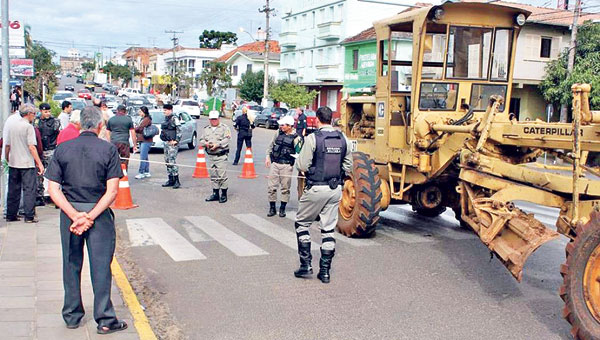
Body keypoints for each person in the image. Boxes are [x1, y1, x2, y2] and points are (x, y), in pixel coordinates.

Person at [45, 106, 129, 334]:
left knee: (71, 263)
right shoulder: (108, 150)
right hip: (98, 214)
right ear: (100, 125)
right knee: (101, 266)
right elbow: (112, 191)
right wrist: (90, 216)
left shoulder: (62, 149)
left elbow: (53, 188)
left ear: (80, 124)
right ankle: (104, 318)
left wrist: (74, 215)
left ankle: (72, 315)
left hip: (70, 213)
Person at [293, 106, 353, 284]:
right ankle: (325, 272)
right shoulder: (343, 139)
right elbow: (348, 167)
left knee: (302, 224)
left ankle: (306, 266)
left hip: (316, 188)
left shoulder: (313, 138)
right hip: (335, 190)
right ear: (332, 119)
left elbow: (302, 165)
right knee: (328, 229)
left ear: (318, 119)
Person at [5, 104, 44, 223]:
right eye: (33, 114)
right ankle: (29, 216)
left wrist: (8, 158)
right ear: (28, 114)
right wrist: (39, 163)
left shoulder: (12, 126)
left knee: (13, 190)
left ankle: (11, 214)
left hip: (14, 162)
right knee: (29, 190)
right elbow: (32, 146)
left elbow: (7, 145)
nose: (34, 116)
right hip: (26, 163)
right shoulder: (28, 127)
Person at [265, 115, 302, 218]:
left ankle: (282, 208)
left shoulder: (296, 138)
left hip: (286, 165)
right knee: (271, 187)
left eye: (283, 125)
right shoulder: (278, 133)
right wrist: (268, 157)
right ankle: (272, 208)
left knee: (285, 188)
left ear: (289, 126)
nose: (281, 126)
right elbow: (271, 145)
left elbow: (299, 153)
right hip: (275, 163)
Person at [199, 110, 231, 203]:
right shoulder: (206, 129)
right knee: (213, 175)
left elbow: (227, 139)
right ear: (209, 119)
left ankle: (224, 194)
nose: (214, 121)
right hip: (211, 156)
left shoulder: (224, 128)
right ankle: (215, 193)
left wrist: (218, 144)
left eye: (215, 119)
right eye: (212, 119)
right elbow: (201, 140)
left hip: (220, 155)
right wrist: (206, 144)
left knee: (222, 176)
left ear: (219, 119)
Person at [34, 103, 61, 205]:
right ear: (41, 111)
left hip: (51, 149)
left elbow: (57, 133)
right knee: (38, 174)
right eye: (45, 112)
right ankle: (39, 196)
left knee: (53, 174)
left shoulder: (55, 121)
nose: (48, 113)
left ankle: (54, 196)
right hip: (40, 150)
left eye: (49, 111)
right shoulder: (36, 121)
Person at [2, 103, 25, 216]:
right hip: (14, 158)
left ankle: (10, 209)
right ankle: (9, 209)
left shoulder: (10, 120)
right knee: (11, 185)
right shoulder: (19, 122)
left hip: (10, 157)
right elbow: (8, 144)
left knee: (11, 184)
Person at [159, 104, 182, 189]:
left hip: (172, 144)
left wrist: (176, 140)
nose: (164, 111)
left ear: (170, 110)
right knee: (167, 161)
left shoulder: (174, 118)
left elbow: (179, 130)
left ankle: (176, 180)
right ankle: (170, 179)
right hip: (166, 142)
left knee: (172, 161)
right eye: (164, 110)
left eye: (165, 110)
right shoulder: (166, 119)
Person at [133, 106, 153, 179]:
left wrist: (134, 129)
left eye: (140, 111)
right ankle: (146, 171)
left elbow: (140, 128)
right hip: (142, 139)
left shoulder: (146, 119)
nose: (139, 113)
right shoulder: (143, 119)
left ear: (144, 112)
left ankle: (141, 172)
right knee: (145, 156)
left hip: (146, 140)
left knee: (142, 157)